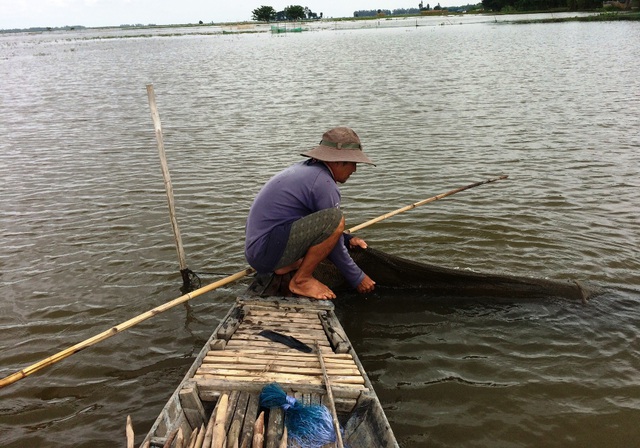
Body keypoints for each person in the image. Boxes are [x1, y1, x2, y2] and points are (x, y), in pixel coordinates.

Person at [245, 127, 376, 300]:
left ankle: (286, 265)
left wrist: (346, 238)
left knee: (334, 224)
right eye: (353, 163)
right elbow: (331, 231)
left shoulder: (308, 170)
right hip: (266, 251)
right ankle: (302, 280)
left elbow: (312, 224)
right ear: (338, 162)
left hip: (259, 251)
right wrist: (357, 277)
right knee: (335, 219)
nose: (354, 170)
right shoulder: (323, 183)